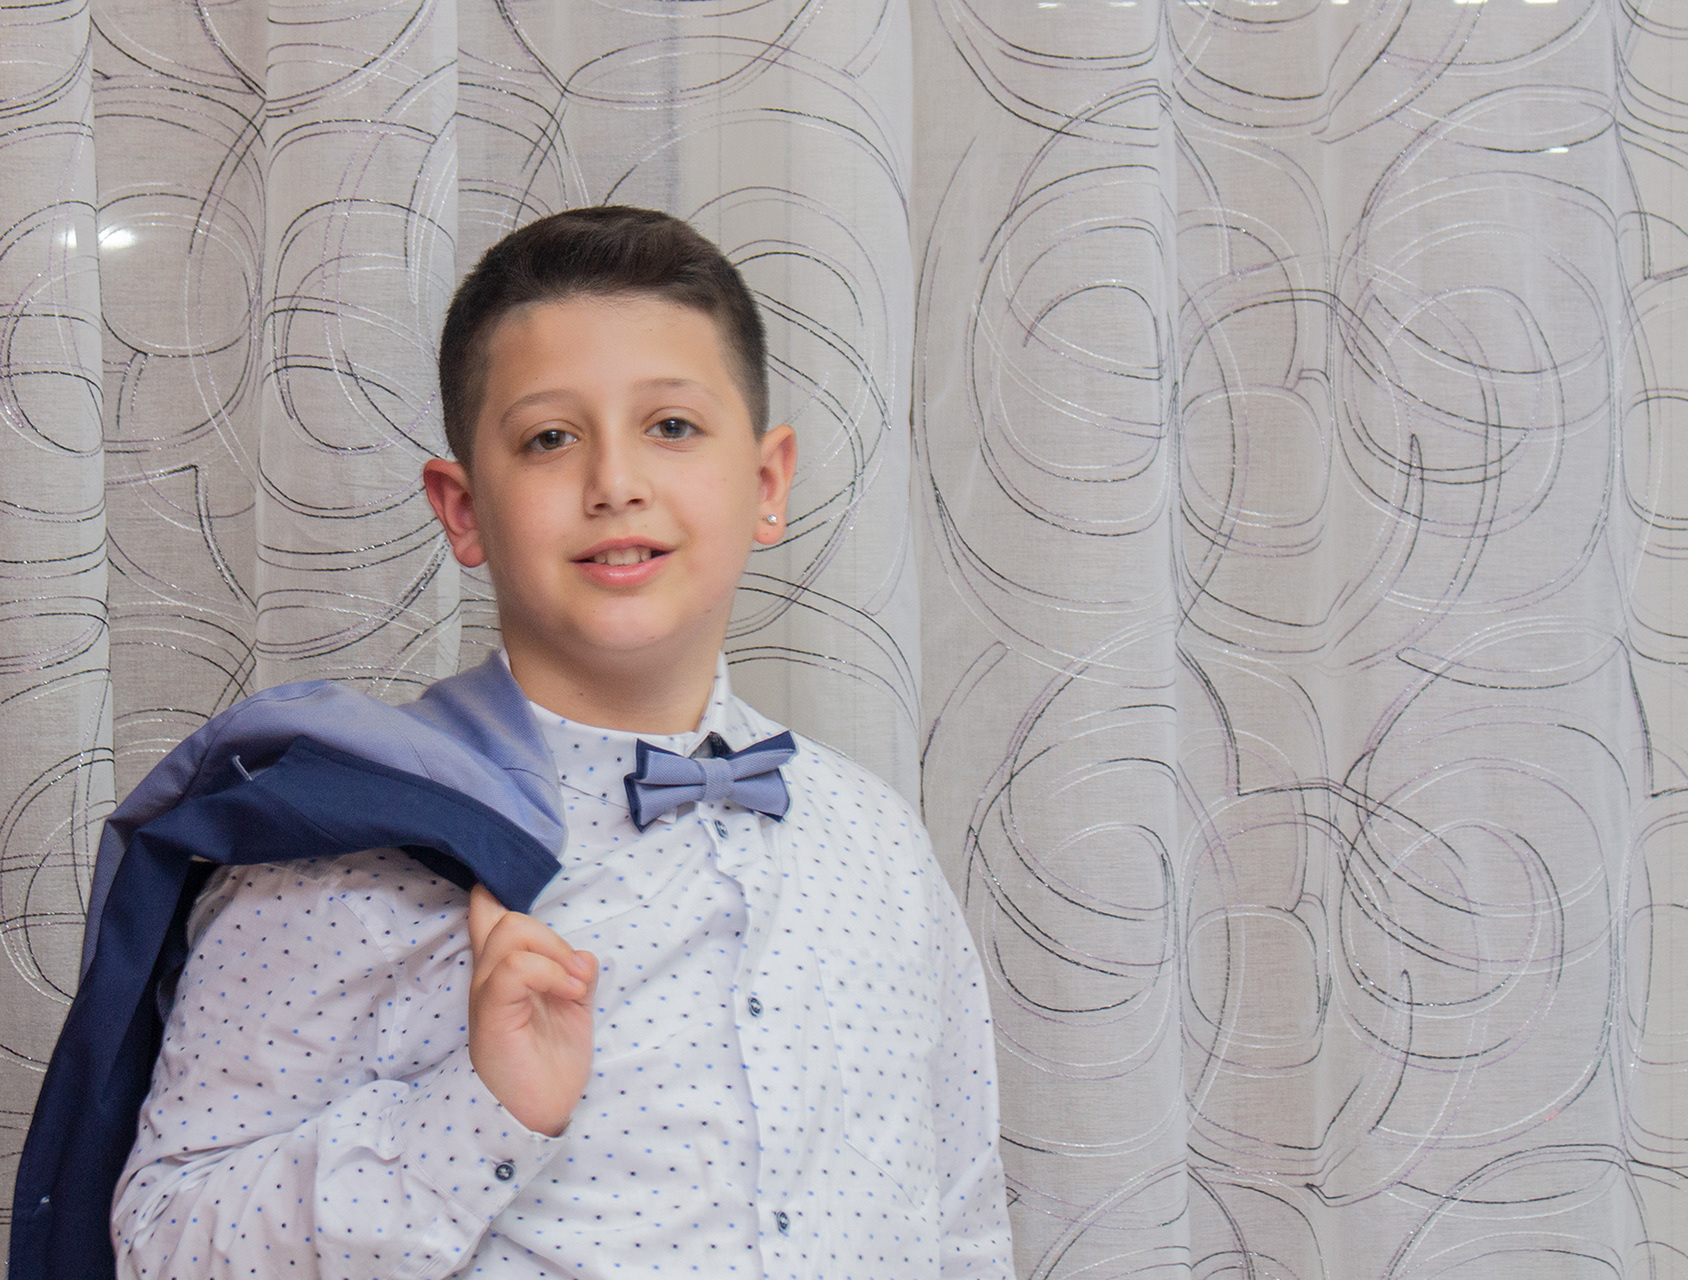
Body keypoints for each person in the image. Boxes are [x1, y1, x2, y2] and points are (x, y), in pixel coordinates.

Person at [18, 207, 1013, 1280]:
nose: (615, 481)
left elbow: (962, 1225)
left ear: (767, 484)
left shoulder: (878, 848)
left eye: (672, 425)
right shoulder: (350, 846)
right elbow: (162, 1243)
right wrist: (472, 1113)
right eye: (550, 438)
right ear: (462, 509)